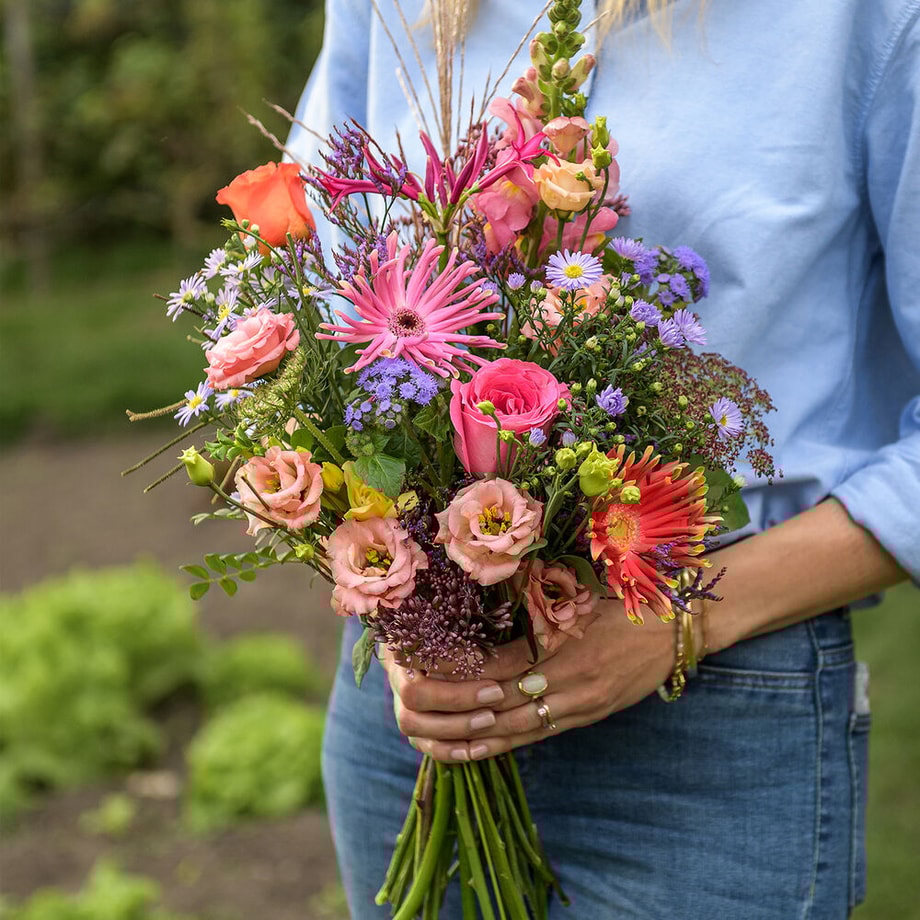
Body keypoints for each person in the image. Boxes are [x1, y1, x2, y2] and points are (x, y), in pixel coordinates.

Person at [286, 1, 919, 916]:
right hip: (417, 723)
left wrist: (684, 622)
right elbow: (316, 286)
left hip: (706, 730)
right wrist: (401, 597)